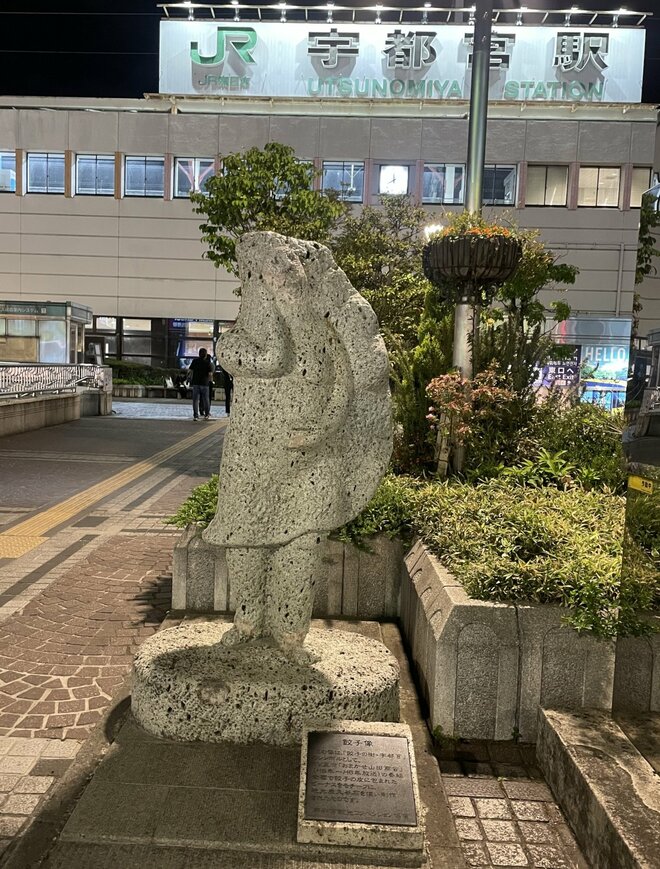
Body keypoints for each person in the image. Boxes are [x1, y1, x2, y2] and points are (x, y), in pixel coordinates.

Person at [187, 348, 213, 420]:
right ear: (205, 355)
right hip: (205, 383)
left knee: (195, 400)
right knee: (206, 399)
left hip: (196, 383)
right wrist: (210, 380)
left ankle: (195, 416)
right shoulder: (208, 363)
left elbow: (189, 370)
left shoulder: (195, 361)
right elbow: (210, 374)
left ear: (199, 354)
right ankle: (206, 414)